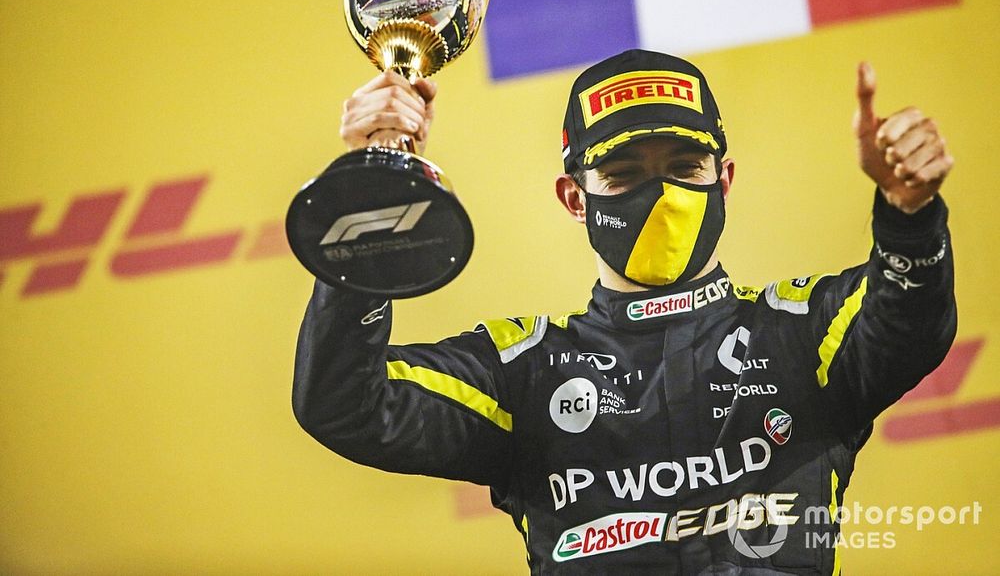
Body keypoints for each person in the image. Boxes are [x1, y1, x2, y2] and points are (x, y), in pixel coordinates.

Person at [292, 49, 956, 574]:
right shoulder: (524, 372)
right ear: (573, 197)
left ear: (723, 180)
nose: (660, 194)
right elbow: (346, 404)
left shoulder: (803, 334)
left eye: (685, 164)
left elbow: (909, 322)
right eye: (624, 173)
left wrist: (909, 215)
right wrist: (371, 191)